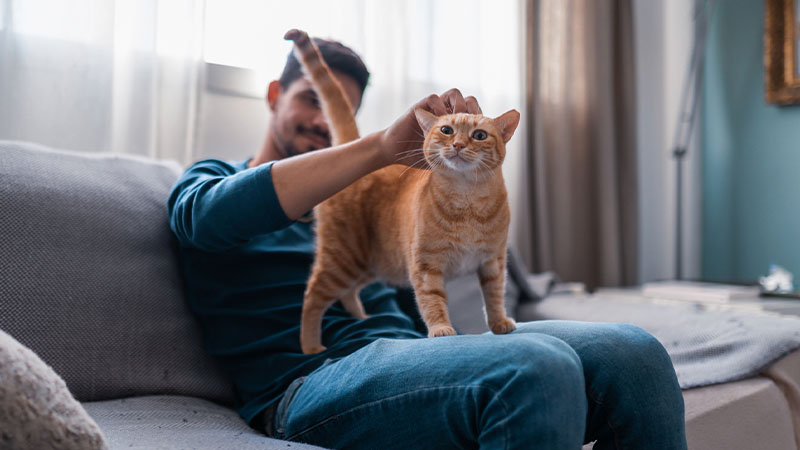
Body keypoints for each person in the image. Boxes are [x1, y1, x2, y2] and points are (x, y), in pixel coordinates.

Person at [167, 38, 688, 450]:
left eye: (342, 110)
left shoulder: (366, 195)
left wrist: (458, 164)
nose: (325, 121)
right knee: (535, 366)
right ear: (276, 96)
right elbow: (207, 221)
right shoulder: (211, 179)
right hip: (307, 386)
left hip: (409, 360)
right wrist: (374, 150)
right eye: (311, 99)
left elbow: (425, 272)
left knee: (635, 353)